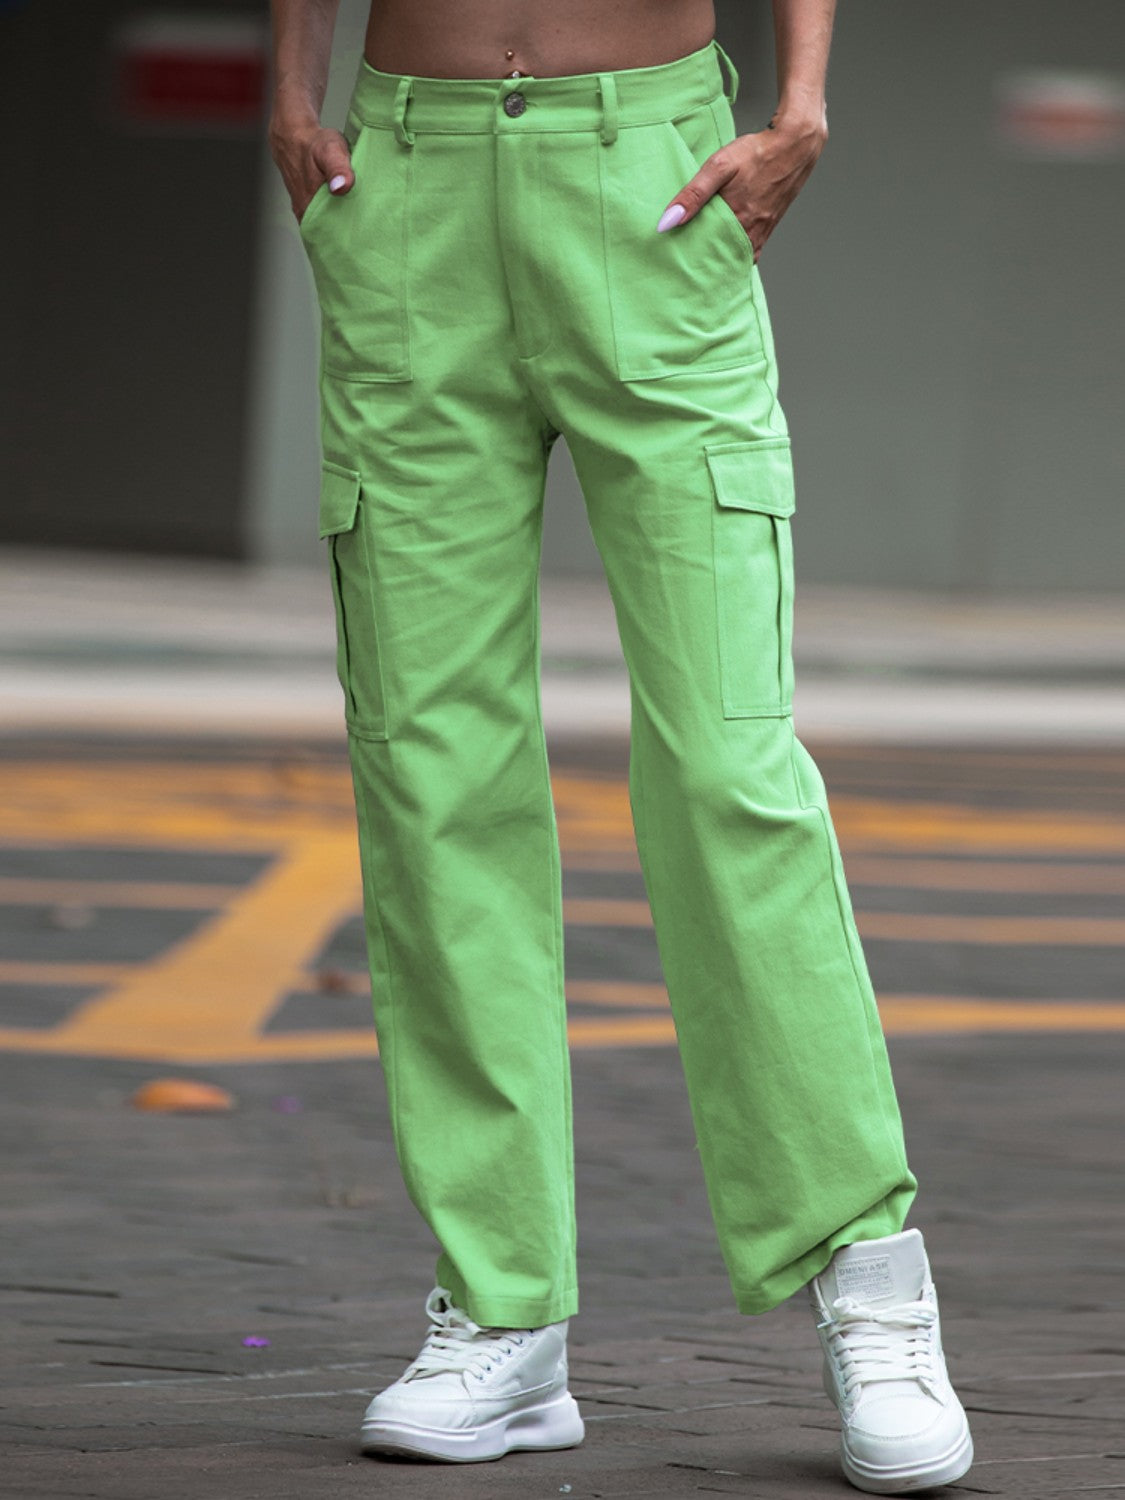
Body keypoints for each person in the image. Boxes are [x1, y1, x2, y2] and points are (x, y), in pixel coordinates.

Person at [267, 0, 974, 1490]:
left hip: (651, 179)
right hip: (403, 179)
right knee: (429, 774)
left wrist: (800, 103)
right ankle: (503, 1311)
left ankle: (866, 1280)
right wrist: (289, 89)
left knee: (728, 765)